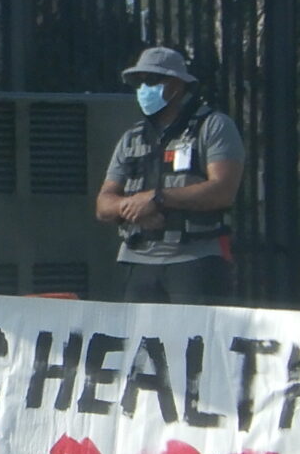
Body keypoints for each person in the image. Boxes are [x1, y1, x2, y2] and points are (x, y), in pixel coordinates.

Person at [96, 45, 245, 304]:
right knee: (138, 342)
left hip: (195, 261)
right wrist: (129, 206)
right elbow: (103, 204)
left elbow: (224, 190)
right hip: (137, 262)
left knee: (196, 340)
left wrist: (158, 199)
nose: (144, 89)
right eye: (138, 82)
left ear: (177, 84)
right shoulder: (131, 138)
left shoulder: (214, 127)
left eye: (152, 80)